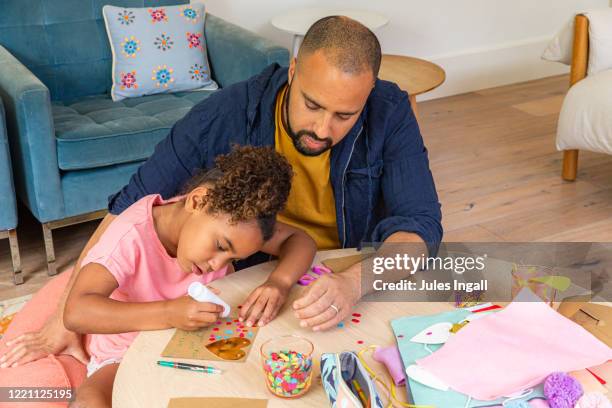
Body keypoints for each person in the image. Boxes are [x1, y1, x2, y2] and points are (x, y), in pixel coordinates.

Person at [0, 15, 442, 369]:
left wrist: (352, 282)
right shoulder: (227, 112)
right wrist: (62, 320)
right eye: (311, 104)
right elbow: (130, 206)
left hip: (338, 273)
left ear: (366, 98)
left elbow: (420, 229)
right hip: (252, 283)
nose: (323, 130)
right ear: (293, 72)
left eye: (345, 115)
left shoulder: (390, 111)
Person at [57, 146, 312, 407]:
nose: (217, 265)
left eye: (232, 260)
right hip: (126, 354)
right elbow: (76, 312)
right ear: (196, 201)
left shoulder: (238, 225)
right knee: (87, 401)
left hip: (204, 343)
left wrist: (278, 282)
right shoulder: (129, 235)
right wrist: (169, 313)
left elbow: (300, 240)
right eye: (221, 247)